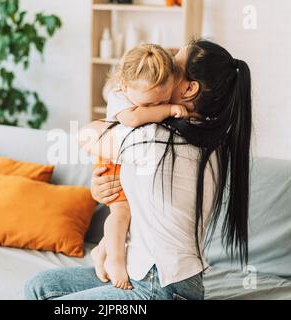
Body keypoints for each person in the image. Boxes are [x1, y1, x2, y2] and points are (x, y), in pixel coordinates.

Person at [25, 39, 252, 300]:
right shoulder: (215, 145)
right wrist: (105, 188)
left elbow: (86, 136)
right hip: (154, 275)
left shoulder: (154, 138)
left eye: (173, 65)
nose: (162, 68)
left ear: (189, 89)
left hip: (159, 284)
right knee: (40, 286)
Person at [91, 43, 188, 290]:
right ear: (124, 86)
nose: (154, 109)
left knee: (133, 214)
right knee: (121, 213)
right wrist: (168, 108)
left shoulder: (144, 84)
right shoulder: (118, 94)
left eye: (161, 101)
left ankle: (106, 251)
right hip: (112, 159)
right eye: (148, 105)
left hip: (127, 158)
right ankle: (114, 258)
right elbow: (132, 118)